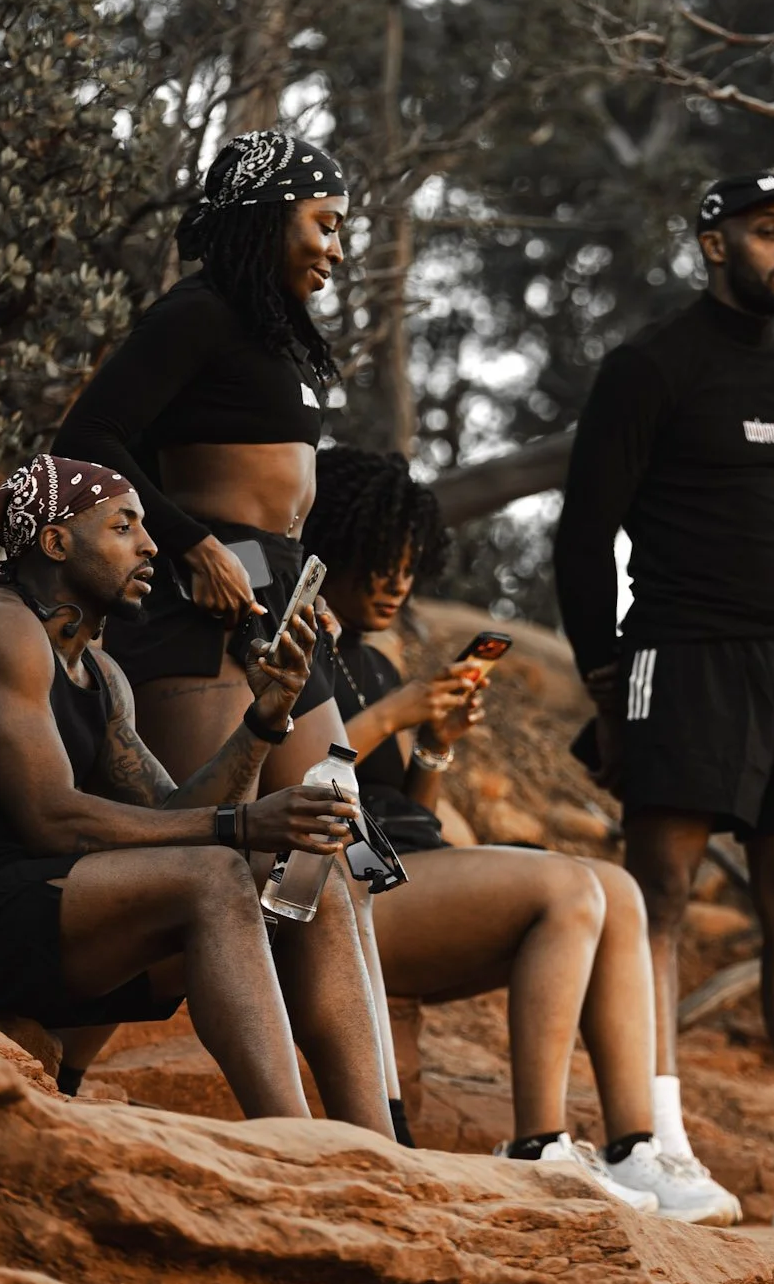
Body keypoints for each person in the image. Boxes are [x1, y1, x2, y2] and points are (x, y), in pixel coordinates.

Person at [554, 170, 774, 1231]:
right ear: (713, 243)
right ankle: (655, 1143)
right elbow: (583, 536)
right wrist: (610, 679)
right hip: (683, 652)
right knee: (653, 895)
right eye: (768, 232)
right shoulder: (648, 367)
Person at [305, 446, 743, 1223]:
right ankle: (538, 1145)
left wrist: (434, 739)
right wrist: (394, 715)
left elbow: (408, 806)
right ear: (331, 542)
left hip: (407, 859)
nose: (396, 581)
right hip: (343, 885)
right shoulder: (300, 647)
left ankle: (632, 1146)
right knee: (567, 885)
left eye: (409, 563)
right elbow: (300, 779)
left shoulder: (370, 659)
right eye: (378, 559)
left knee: (617, 889)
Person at [53, 129, 391, 1132]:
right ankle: (51, 1064)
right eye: (324, 223)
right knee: (221, 864)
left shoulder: (276, 330)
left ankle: (378, 1139)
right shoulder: (196, 311)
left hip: (288, 606)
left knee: (335, 860)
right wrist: (190, 537)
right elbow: (85, 439)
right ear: (267, 210)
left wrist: (295, 572)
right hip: (199, 620)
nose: (337, 246)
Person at [0, 455, 360, 1120]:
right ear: (56, 541)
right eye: (123, 526)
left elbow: (169, 819)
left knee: (298, 883)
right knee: (214, 875)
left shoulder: (101, 674)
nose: (151, 545)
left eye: (146, 528)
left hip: (9, 907)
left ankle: (380, 1149)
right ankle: (298, 1146)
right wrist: (241, 827)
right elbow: (52, 820)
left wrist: (262, 723)